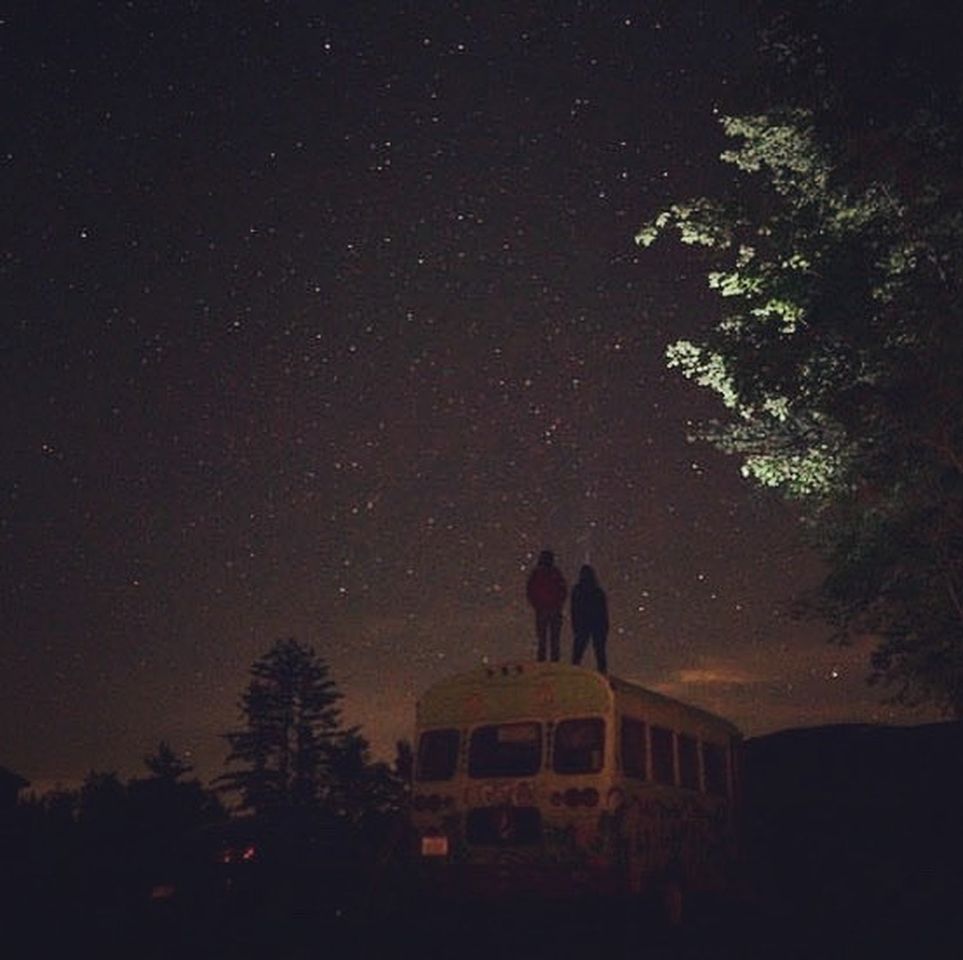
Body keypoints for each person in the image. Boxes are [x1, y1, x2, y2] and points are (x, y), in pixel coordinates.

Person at [526, 549, 567, 662]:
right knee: (554, 640)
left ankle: (542, 662)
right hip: (553, 610)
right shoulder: (555, 573)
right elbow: (563, 590)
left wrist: (537, 605)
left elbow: (530, 591)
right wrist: (558, 605)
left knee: (542, 639)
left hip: (542, 610)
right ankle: (554, 663)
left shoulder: (537, 574)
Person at [571, 564, 609, 673]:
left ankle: (574, 670)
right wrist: (605, 627)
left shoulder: (577, 590)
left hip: (584, 624)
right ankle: (602, 673)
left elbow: (574, 609)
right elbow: (603, 611)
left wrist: (575, 624)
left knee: (579, 650)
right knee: (599, 651)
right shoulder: (597, 591)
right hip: (597, 624)